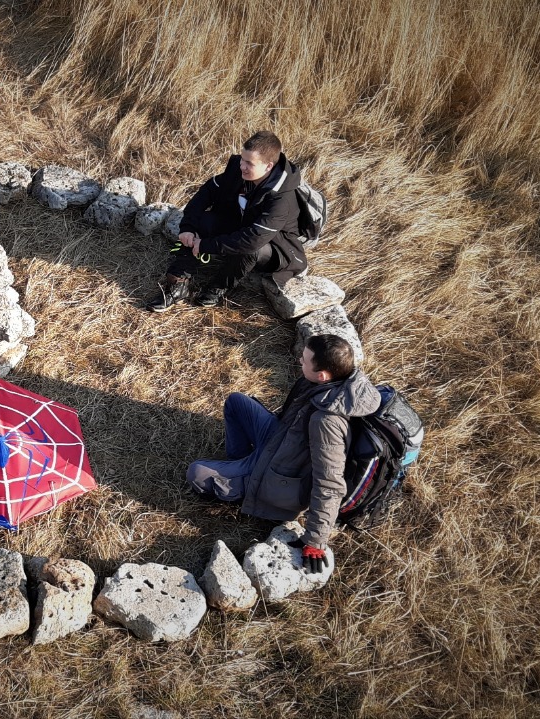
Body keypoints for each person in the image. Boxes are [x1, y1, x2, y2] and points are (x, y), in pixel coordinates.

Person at [186, 334, 380, 571]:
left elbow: (329, 483)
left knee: (196, 473)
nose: (300, 360)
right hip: (279, 439)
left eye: (305, 360)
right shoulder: (332, 383)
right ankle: (239, 464)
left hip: (278, 473)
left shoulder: (326, 422)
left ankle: (247, 481)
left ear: (322, 375)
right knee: (236, 402)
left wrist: (315, 540)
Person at [147, 130, 309, 312]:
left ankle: (218, 287)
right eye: (242, 159)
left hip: (275, 247)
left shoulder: (281, 199)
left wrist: (205, 245)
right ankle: (178, 285)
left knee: (251, 250)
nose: (242, 166)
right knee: (202, 221)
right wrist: (188, 227)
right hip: (241, 226)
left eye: (249, 163)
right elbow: (206, 193)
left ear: (268, 166)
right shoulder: (238, 171)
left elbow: (252, 240)